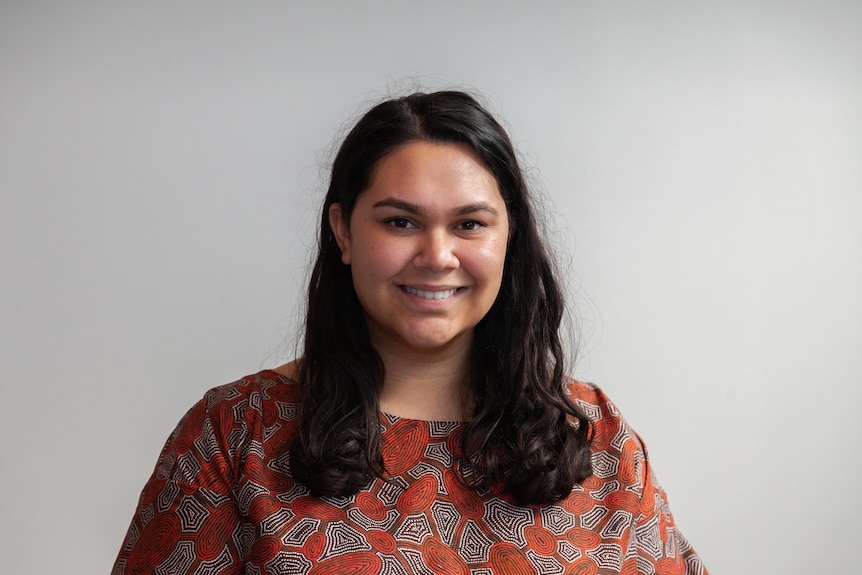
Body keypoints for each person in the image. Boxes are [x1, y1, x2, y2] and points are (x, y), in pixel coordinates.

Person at [113, 90, 708, 575]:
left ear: (510, 239)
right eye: (401, 221)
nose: (437, 254)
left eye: (469, 224)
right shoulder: (233, 438)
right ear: (343, 232)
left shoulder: (596, 439)